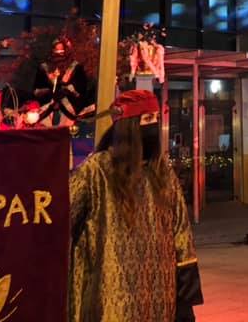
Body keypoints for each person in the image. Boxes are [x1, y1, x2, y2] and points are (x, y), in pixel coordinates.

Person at [69, 89, 203, 322]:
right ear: (129, 125)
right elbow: (62, 218)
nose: (153, 127)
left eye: (155, 119)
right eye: (147, 119)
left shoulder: (162, 173)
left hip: (160, 296)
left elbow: (181, 233)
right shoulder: (96, 171)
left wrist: (185, 299)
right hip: (110, 298)